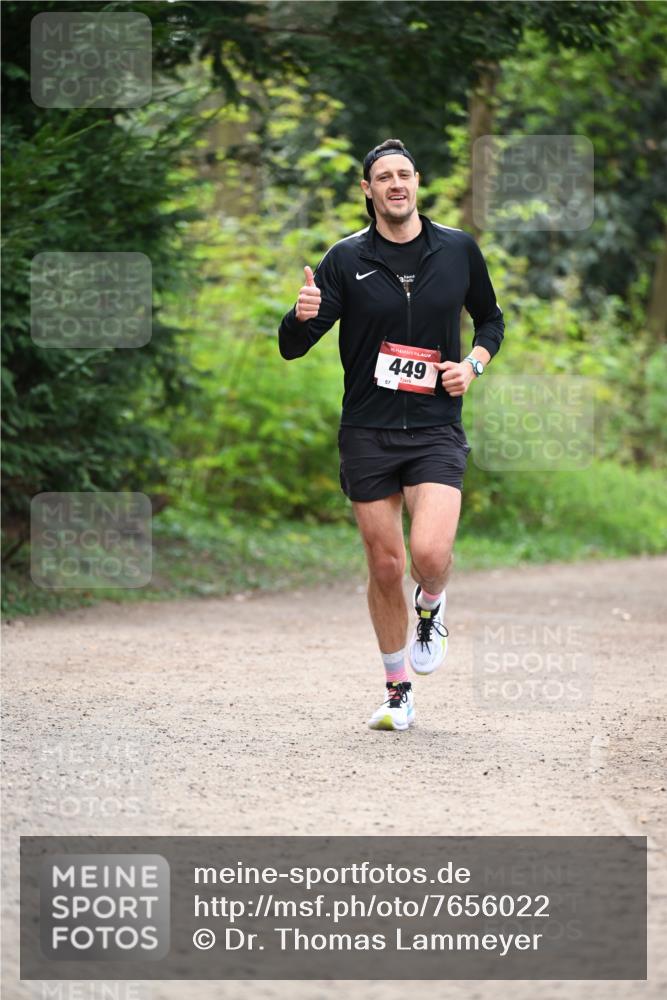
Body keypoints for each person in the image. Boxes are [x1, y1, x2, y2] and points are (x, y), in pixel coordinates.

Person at [278, 138, 504, 731]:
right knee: (384, 565)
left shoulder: (457, 249)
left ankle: (431, 605)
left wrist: (472, 366)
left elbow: (492, 318)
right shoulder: (345, 259)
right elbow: (294, 347)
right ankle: (397, 690)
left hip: (434, 428)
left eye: (405, 173)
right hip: (368, 432)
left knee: (429, 556)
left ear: (417, 182)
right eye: (384, 177)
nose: (396, 184)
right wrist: (298, 316)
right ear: (368, 190)